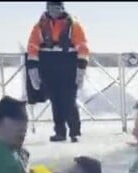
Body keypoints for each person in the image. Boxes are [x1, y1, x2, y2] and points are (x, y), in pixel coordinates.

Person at [26, 1, 90, 143]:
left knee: (69, 99)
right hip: (48, 65)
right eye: (51, 8)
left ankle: (75, 132)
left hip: (68, 64)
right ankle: (59, 132)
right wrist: (33, 70)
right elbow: (32, 47)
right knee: (55, 100)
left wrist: (81, 68)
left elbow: (83, 47)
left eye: (57, 8)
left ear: (62, 8)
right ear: (47, 9)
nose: (55, 11)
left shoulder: (74, 25)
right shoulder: (39, 26)